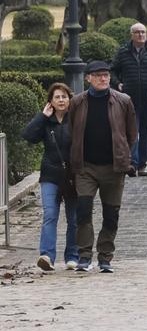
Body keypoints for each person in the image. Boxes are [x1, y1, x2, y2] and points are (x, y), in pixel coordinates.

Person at [66, 61, 137, 273]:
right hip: (85, 167)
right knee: (83, 210)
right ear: (88, 78)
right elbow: (72, 130)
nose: (103, 78)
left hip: (113, 167)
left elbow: (131, 133)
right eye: (98, 75)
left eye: (106, 75)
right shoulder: (77, 102)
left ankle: (105, 257)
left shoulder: (123, 101)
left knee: (111, 214)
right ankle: (84, 255)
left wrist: (124, 155)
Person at [22, 83, 79, 271]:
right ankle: (46, 255)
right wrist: (42, 116)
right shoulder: (46, 121)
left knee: (74, 218)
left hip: (73, 176)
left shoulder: (77, 119)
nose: (61, 100)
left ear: (69, 99)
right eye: (57, 97)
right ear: (50, 102)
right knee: (50, 215)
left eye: (64, 96)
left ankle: (72, 256)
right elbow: (28, 136)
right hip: (50, 174)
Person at [110, 21, 147, 177]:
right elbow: (112, 70)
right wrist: (118, 83)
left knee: (146, 132)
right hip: (129, 99)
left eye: (143, 32)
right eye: (137, 32)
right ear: (132, 35)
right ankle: (133, 164)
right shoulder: (123, 52)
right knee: (131, 132)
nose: (141, 35)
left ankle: (142, 163)